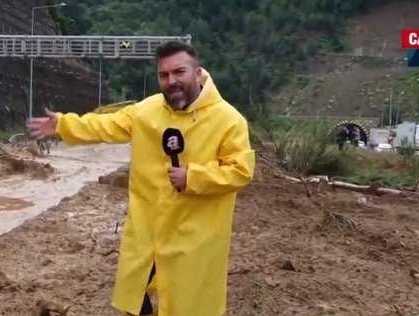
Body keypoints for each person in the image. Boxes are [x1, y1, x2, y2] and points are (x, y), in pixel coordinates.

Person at [27, 41, 255, 316]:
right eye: (163, 75)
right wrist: (64, 125)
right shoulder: (147, 111)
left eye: (179, 72)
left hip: (195, 239)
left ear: (197, 73)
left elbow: (240, 170)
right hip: (147, 232)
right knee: (137, 301)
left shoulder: (228, 120)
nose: (171, 81)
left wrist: (194, 177)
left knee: (188, 305)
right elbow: (106, 125)